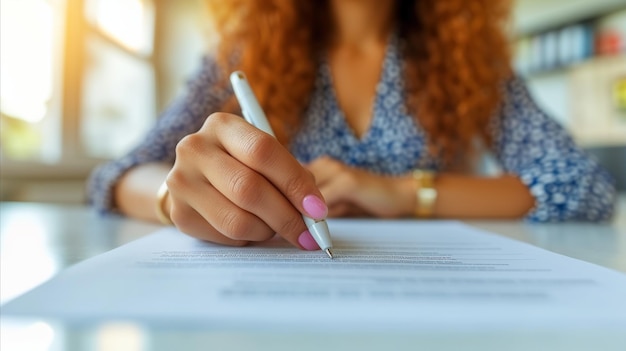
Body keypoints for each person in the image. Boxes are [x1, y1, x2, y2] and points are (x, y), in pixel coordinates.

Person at [87, 0, 616, 251]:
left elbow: (584, 188)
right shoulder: (242, 54)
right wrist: (173, 199)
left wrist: (406, 193)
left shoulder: (466, 59)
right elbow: (115, 177)